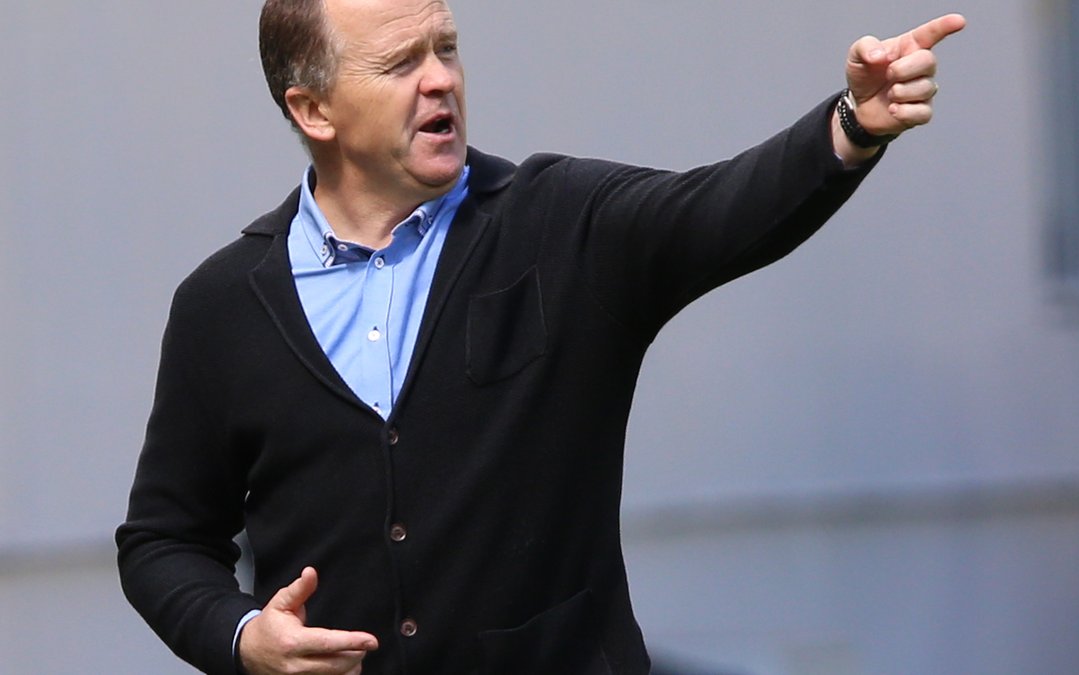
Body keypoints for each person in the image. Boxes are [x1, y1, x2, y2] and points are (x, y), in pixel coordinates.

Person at [116, 1, 965, 673]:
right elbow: (163, 540)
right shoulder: (223, 306)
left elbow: (719, 210)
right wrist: (242, 637)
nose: (440, 79)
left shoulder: (558, 222)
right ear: (313, 109)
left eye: (446, 49)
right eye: (401, 63)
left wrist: (852, 124)